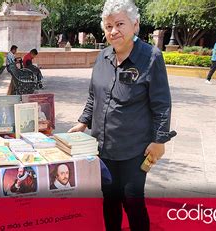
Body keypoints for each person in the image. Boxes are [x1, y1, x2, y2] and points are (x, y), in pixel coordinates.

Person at [68, 0, 172, 230]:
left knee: (132, 201)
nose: (113, 31)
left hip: (134, 150)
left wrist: (159, 140)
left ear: (135, 25)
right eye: (108, 26)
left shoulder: (151, 57)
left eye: (119, 24)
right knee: (110, 201)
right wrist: (83, 122)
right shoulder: (102, 57)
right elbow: (93, 96)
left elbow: (162, 103)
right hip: (103, 148)